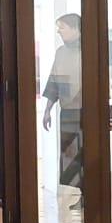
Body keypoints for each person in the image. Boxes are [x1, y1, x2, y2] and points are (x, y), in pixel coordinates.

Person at [40, 13, 84, 203]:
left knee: (87, 153)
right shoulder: (60, 53)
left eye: (62, 27)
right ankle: (76, 195)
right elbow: (54, 82)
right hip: (67, 113)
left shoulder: (89, 50)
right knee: (69, 154)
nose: (59, 31)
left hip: (87, 113)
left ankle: (88, 197)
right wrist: (47, 110)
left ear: (75, 29)